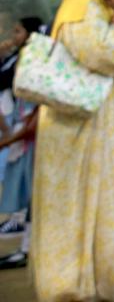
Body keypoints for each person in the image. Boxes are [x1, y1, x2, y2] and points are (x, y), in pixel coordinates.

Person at [31, 0, 114, 300]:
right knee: (81, 202)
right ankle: (74, 284)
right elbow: (112, 57)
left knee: (98, 199)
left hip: (97, 127)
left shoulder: (95, 12)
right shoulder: (81, 14)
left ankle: (98, 277)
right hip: (82, 130)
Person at [0, 15, 40, 239]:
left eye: (18, 31)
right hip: (18, 120)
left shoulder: (28, 59)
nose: (13, 36)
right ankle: (19, 224)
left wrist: (8, 136)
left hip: (21, 121)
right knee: (17, 176)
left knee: (25, 178)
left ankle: (20, 224)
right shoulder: (17, 57)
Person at [0, 95, 37, 269]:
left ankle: (28, 247)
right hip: (25, 143)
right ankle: (27, 246)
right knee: (32, 198)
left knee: (35, 197)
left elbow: (32, 125)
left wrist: (7, 141)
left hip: (34, 146)